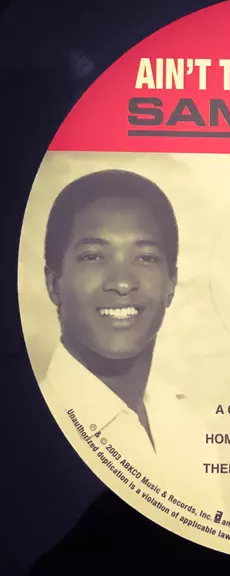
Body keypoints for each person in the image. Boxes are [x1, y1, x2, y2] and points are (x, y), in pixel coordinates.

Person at [40, 169, 186, 465]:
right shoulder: (22, 428)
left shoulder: (190, 428)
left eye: (146, 257)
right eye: (93, 256)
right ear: (54, 284)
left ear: (171, 284)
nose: (122, 283)